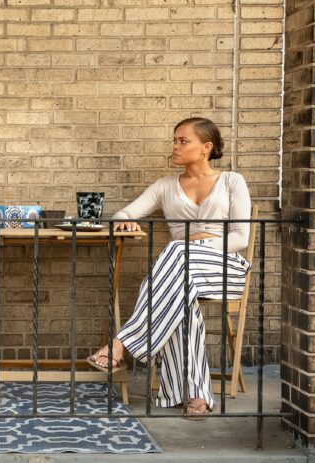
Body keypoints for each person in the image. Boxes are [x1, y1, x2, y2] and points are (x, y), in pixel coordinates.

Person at [87, 117, 251, 418]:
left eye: (182, 141)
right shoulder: (165, 186)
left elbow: (240, 238)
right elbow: (125, 211)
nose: (175, 146)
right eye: (174, 140)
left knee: (176, 251)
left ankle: (121, 343)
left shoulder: (232, 181)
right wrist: (126, 219)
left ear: (206, 147)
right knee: (181, 295)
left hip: (223, 268)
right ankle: (196, 395)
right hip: (180, 273)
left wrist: (195, 245)